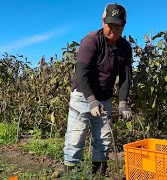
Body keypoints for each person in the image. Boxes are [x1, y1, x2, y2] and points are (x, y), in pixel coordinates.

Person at [63, 3, 132, 176]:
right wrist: (91, 100)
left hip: (105, 98)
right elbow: (81, 74)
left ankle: (98, 177)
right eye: (110, 25)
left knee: (103, 140)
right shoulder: (91, 40)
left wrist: (123, 103)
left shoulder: (125, 48)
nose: (113, 30)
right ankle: (71, 177)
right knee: (75, 139)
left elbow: (125, 78)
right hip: (82, 95)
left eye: (118, 26)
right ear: (103, 22)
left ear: (123, 26)